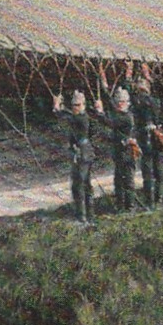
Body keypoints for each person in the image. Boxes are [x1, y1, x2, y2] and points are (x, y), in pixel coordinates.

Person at [52, 90, 98, 224]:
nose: (75, 108)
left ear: (83, 105)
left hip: (83, 153)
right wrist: (60, 107)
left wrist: (57, 106)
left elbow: (68, 117)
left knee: (79, 185)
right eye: (73, 105)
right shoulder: (79, 116)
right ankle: (88, 215)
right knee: (84, 184)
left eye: (78, 105)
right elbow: (68, 115)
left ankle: (83, 217)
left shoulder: (82, 118)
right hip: (84, 152)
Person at [92, 86, 138, 212]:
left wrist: (100, 112)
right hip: (120, 152)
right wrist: (104, 85)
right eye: (117, 102)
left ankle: (130, 207)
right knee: (118, 180)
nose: (119, 104)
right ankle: (120, 206)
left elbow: (110, 122)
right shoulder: (122, 113)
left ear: (127, 103)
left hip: (127, 152)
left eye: (122, 102)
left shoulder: (126, 117)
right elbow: (112, 106)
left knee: (127, 180)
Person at [131, 77, 163, 207]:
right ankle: (160, 198)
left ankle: (150, 201)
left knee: (147, 169)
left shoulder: (137, 101)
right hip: (156, 135)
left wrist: (128, 78)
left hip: (145, 136)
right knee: (158, 167)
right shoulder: (155, 101)